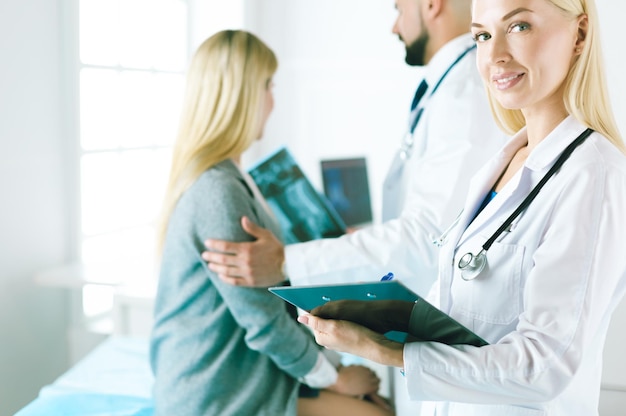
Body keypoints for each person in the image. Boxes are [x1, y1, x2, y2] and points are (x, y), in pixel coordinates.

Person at [297, 0, 626, 414]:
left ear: (579, 34)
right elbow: (465, 317)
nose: (494, 56)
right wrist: (380, 316)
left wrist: (383, 350)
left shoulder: (593, 174)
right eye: (482, 36)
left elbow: (543, 365)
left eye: (519, 26)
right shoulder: (504, 163)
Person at [202, 1, 506, 414]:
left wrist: (288, 261)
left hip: (442, 333)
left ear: (431, 5)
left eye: (399, 8)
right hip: (392, 336)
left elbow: (428, 235)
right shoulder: (445, 89)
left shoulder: (465, 91)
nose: (395, 25)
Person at [149, 29, 393, 416]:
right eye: (267, 85)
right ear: (241, 95)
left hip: (250, 372)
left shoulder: (232, 178)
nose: (272, 100)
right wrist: (338, 378)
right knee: (377, 412)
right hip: (216, 391)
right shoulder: (218, 192)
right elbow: (262, 321)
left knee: (373, 402)